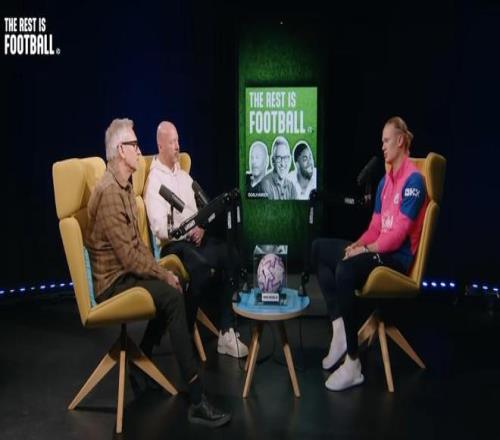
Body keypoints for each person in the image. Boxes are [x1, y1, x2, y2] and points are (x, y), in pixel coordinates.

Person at [86, 118, 231, 427]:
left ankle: (145, 360)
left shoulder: (124, 186)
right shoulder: (110, 192)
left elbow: (137, 247)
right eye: (135, 146)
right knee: (173, 296)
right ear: (120, 150)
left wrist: (160, 271)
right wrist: (163, 274)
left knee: (170, 290)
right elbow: (129, 257)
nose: (141, 151)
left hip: (125, 273)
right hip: (113, 284)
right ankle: (197, 398)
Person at [312, 116, 427, 391]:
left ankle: (353, 363)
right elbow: (375, 227)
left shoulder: (414, 181)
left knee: (345, 269)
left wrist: (364, 250)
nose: (383, 147)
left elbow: (398, 235)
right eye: (382, 142)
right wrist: (357, 245)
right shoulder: (385, 183)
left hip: (397, 259)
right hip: (379, 250)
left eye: (387, 141)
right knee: (319, 249)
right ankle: (340, 329)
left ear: (400, 141)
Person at [144, 121, 249, 359]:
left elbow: (200, 210)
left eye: (178, 141)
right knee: (201, 267)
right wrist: (184, 229)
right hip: (174, 246)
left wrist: (200, 226)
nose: (177, 146)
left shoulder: (183, 175)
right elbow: (160, 228)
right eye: (172, 142)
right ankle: (184, 329)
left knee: (230, 255)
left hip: (195, 239)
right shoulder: (155, 182)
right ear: (160, 145)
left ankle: (226, 331)